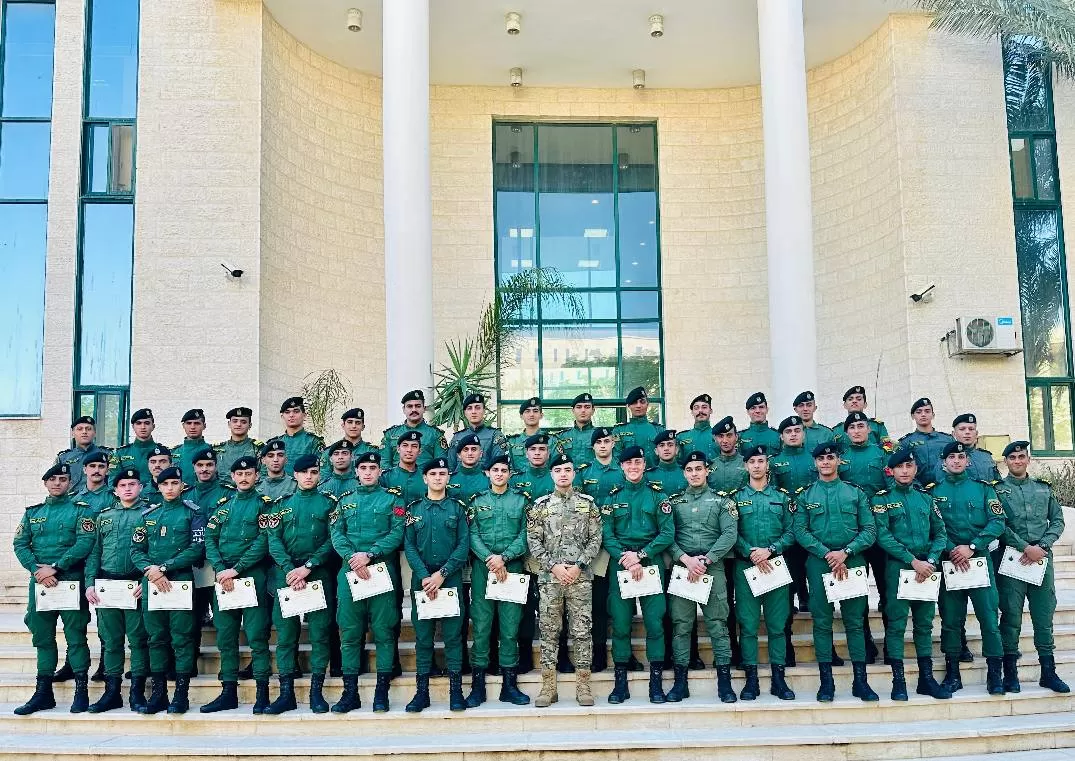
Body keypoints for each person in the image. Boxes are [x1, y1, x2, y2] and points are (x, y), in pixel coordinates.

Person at [793, 442, 878, 702]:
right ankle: (826, 682)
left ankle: (860, 682)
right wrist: (827, 553)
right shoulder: (806, 495)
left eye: (830, 458)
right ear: (815, 463)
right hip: (820, 563)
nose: (826, 462)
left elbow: (869, 530)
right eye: (821, 459)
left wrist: (846, 552)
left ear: (839, 461)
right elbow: (800, 531)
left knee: (855, 622)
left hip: (852, 561)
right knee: (822, 622)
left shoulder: (855, 493)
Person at [13, 463, 95, 715]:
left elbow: (86, 542)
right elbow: (20, 544)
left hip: (69, 580)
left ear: (69, 483)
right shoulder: (33, 513)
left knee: (76, 636)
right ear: (45, 483)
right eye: (53, 479)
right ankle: (43, 693)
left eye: (62, 479)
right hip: (40, 583)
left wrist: (56, 567)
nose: (57, 483)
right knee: (43, 637)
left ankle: (81, 690)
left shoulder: (81, 511)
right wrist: (36, 570)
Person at [873, 448, 952, 701]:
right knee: (896, 624)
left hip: (927, 568)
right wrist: (912, 561)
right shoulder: (882, 499)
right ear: (891, 471)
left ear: (916, 469)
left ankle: (926, 680)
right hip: (900, 567)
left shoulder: (926, 498)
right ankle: (898, 681)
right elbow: (883, 535)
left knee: (924, 624)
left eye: (909, 466)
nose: (905, 471)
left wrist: (931, 560)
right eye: (900, 467)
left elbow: (940, 533)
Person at [330, 451, 406, 713]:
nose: (368, 472)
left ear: (380, 471)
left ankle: (381, 692)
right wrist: (354, 558)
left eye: (372, 468)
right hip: (351, 571)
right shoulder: (344, 501)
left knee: (384, 631)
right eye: (363, 468)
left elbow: (397, 532)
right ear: (356, 471)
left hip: (381, 571)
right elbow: (336, 533)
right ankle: (350, 693)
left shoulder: (393, 499)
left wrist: (370, 554)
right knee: (350, 632)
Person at [928, 440, 1006, 695]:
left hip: (978, 560)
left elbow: (997, 522)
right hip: (949, 562)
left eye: (960, 458)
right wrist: (953, 549)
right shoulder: (933, 492)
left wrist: (972, 546)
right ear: (944, 462)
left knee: (988, 617)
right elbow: (933, 527)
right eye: (951, 458)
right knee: (951, 619)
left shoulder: (983, 489)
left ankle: (995, 674)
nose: (956, 461)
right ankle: (953, 673)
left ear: (968, 461)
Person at [527, 452, 603, 707]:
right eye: (558, 470)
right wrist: (553, 566)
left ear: (574, 473)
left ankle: (583, 686)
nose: (563, 474)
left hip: (580, 578)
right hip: (550, 580)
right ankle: (548, 687)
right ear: (552, 474)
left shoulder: (587, 504)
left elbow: (596, 538)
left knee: (582, 632)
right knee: (549, 632)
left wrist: (579, 566)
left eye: (567, 470)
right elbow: (533, 540)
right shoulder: (540, 506)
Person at [200, 456, 274, 714]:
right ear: (232, 477)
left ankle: (262, 693)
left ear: (257, 476)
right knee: (226, 636)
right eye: (239, 474)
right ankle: (228, 691)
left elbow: (264, 540)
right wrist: (221, 569)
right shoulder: (223, 507)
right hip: (224, 579)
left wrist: (237, 569)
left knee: (257, 635)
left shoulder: (264, 505)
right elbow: (210, 538)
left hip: (251, 577)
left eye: (249, 473)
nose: (244, 478)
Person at [265, 454, 338, 714]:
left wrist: (308, 567)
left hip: (317, 574)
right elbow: (273, 540)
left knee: (320, 634)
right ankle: (286, 694)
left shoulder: (329, 503)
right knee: (286, 636)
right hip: (286, 577)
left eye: (314, 472)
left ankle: (316, 693)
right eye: (304, 472)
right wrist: (290, 570)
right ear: (294, 475)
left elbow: (332, 539)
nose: (309, 476)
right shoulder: (281, 504)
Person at [130, 466, 206, 715]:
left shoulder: (192, 513)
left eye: (175, 483)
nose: (170, 488)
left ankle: (181, 695)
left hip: (179, 581)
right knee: (156, 638)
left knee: (182, 638)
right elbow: (136, 550)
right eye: (165, 484)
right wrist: (150, 570)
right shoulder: (148, 515)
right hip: (152, 582)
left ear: (182, 486)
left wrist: (164, 567)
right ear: (158, 486)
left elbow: (197, 548)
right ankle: (159, 694)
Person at [601, 445, 675, 704]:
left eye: (638, 462)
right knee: (621, 623)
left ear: (644, 465)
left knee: (654, 622)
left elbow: (667, 533)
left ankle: (656, 683)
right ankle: (620, 683)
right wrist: (626, 558)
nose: (633, 467)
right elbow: (606, 534)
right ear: (621, 466)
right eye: (628, 463)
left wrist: (640, 555)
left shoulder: (658, 496)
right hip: (621, 563)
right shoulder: (612, 498)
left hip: (650, 563)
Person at [994, 441, 1069, 693]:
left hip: (1041, 559)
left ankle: (1048, 672)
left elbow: (1057, 521)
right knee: (1011, 616)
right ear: (1006, 462)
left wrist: (1042, 546)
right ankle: (1010, 673)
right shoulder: (997, 490)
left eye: (1021, 457)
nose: (1017, 461)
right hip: (1012, 559)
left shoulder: (1043, 488)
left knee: (1043, 616)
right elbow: (999, 524)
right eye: (1012, 457)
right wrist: (1025, 547)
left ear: (1028, 459)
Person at [665, 451, 739, 703]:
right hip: (684, 568)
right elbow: (667, 535)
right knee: (681, 625)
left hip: (712, 567)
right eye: (689, 469)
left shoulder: (721, 501)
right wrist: (686, 559)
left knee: (718, 623)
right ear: (684, 473)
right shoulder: (674, 503)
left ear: (707, 470)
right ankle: (680, 683)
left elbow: (729, 534)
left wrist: (706, 560)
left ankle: (724, 683)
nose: (694, 473)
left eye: (699, 468)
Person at [403, 457, 471, 713]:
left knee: (453, 636)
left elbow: (463, 544)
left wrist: (441, 574)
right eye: (433, 474)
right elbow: (409, 545)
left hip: (449, 578)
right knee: (423, 637)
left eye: (442, 474)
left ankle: (456, 692)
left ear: (448, 477)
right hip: (422, 580)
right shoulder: (413, 510)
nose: (438, 478)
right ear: (425, 478)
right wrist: (424, 575)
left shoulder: (457, 509)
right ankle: (422, 693)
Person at [464, 454, 531, 707]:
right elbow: (472, 533)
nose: (500, 474)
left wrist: (504, 558)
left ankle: (509, 686)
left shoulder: (521, 501)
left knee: (510, 627)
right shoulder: (477, 501)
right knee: (482, 626)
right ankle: (478, 687)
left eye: (504, 470)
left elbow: (526, 534)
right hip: (484, 569)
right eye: (495, 470)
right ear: (487, 473)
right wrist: (490, 559)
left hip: (512, 567)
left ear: (510, 474)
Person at [731, 446, 796, 701]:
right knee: (748, 625)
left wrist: (770, 550)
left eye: (761, 461)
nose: (757, 466)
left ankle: (779, 679)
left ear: (767, 465)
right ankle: (751, 679)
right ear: (745, 466)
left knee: (777, 625)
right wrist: (750, 552)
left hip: (775, 566)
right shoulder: (736, 499)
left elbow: (791, 531)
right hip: (746, 567)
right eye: (752, 462)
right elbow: (731, 532)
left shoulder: (782, 498)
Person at [83, 467, 150, 713]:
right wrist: (90, 583)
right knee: (111, 641)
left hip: (135, 585)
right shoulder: (104, 517)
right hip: (107, 586)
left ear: (140, 487)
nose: (128, 488)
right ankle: (111, 692)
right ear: (115, 490)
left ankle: (137, 693)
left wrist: (146, 582)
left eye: (132, 484)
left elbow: (153, 551)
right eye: (123, 485)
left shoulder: (149, 514)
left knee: (138, 640)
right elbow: (95, 552)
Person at [839, 410, 890, 664]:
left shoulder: (882, 455)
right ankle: (865, 643)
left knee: (886, 590)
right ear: (846, 432)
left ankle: (891, 644)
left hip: (880, 532)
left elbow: (891, 488)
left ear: (869, 429)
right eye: (852, 427)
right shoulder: (841, 458)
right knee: (857, 593)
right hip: (853, 535)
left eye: (861, 426)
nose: (857, 431)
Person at [769, 415, 817, 624]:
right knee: (790, 564)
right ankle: (791, 602)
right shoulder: (774, 462)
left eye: (797, 430)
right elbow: (773, 492)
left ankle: (812, 600)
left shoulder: (815, 459)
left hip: (813, 521)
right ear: (781, 436)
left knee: (812, 563)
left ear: (803, 433)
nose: (793, 435)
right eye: (788, 432)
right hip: (787, 522)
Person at [381, 389, 448, 469]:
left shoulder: (435, 434)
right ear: (404, 409)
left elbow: (440, 463)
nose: (414, 410)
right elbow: (384, 463)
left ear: (424, 409)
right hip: (396, 476)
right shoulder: (391, 434)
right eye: (410, 406)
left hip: (424, 476)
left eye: (418, 406)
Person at [898, 398, 954, 487]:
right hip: (918, 489)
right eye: (919, 412)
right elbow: (900, 469)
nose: (923, 414)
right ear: (912, 416)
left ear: (933, 415)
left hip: (945, 487)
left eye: (927, 411)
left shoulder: (947, 440)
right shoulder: (906, 442)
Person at [447, 392, 508, 470]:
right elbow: (450, 468)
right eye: (469, 408)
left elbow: (499, 466)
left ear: (484, 410)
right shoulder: (457, 437)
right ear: (465, 413)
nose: (474, 412)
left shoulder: (495, 435)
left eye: (477, 408)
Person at [56, 415, 111, 495]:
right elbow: (56, 483)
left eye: (88, 429)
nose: (84, 432)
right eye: (80, 429)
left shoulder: (108, 454)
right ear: (72, 433)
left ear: (94, 433)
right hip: (72, 500)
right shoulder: (63, 458)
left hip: (100, 499)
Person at [269, 397, 325, 475]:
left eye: (296, 411)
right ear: (282, 417)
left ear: (304, 415)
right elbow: (265, 471)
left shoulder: (313, 442)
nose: (291, 415)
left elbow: (322, 470)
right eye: (287, 412)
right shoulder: (274, 443)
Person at [613, 386, 665, 467]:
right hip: (629, 473)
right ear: (628, 406)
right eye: (634, 402)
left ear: (647, 404)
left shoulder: (659, 430)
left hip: (654, 474)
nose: (638, 406)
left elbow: (665, 458)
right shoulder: (619, 431)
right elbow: (616, 458)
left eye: (642, 402)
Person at [320, 408, 378, 479]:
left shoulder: (372, 451)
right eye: (350, 422)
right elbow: (324, 480)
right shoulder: (329, 452)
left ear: (363, 427)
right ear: (343, 425)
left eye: (358, 423)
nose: (354, 426)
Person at [832, 386, 893, 450]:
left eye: (858, 399)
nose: (854, 401)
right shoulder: (837, 430)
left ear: (865, 404)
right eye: (850, 399)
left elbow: (887, 448)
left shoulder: (877, 426)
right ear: (845, 405)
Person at [110, 408, 159, 485]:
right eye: (138, 423)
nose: (143, 427)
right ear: (133, 427)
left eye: (147, 423)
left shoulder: (163, 453)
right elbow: (113, 481)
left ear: (153, 426)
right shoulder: (121, 453)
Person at [951, 413, 1002, 483]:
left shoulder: (986, 456)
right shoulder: (948, 458)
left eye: (971, 429)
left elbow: (998, 482)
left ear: (976, 433)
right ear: (954, 434)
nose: (967, 432)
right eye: (962, 429)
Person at [380, 430, 427, 503]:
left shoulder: (427, 478)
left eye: (414, 446)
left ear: (419, 451)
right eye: (405, 445)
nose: (409, 450)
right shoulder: (385, 478)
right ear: (398, 449)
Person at [214, 407, 262, 477]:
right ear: (229, 424)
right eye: (235, 421)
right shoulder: (217, 450)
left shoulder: (257, 449)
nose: (239, 424)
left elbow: (263, 474)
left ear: (250, 425)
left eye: (243, 422)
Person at [554, 392, 597, 467]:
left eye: (587, 407)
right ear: (573, 411)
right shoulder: (561, 436)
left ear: (593, 410)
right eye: (579, 407)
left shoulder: (600, 436)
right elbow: (556, 462)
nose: (583, 410)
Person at [506, 397, 549, 470]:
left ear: (541, 415)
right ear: (521, 416)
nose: (531, 414)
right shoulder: (512, 442)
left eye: (535, 411)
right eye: (527, 411)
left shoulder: (552, 440)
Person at [708, 416, 748, 493]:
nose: (725, 440)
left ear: (736, 437)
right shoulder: (710, 466)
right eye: (720, 436)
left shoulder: (747, 464)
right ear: (715, 439)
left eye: (729, 435)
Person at [448, 433, 491, 503]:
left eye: (474, 449)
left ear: (481, 454)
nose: (470, 453)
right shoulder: (449, 479)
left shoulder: (489, 478)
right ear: (459, 455)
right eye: (466, 449)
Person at [676, 394, 716, 464]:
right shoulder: (681, 437)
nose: (700, 411)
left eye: (704, 407)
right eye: (696, 408)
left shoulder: (720, 436)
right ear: (692, 412)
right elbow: (678, 463)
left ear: (711, 411)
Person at [172, 409, 208, 486]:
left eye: (197, 423)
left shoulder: (212, 451)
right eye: (188, 423)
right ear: (183, 426)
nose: (192, 427)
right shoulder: (174, 452)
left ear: (204, 426)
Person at [647, 429, 686, 495]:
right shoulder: (648, 476)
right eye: (662, 445)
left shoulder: (686, 473)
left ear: (676, 450)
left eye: (670, 445)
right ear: (656, 451)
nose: (666, 448)